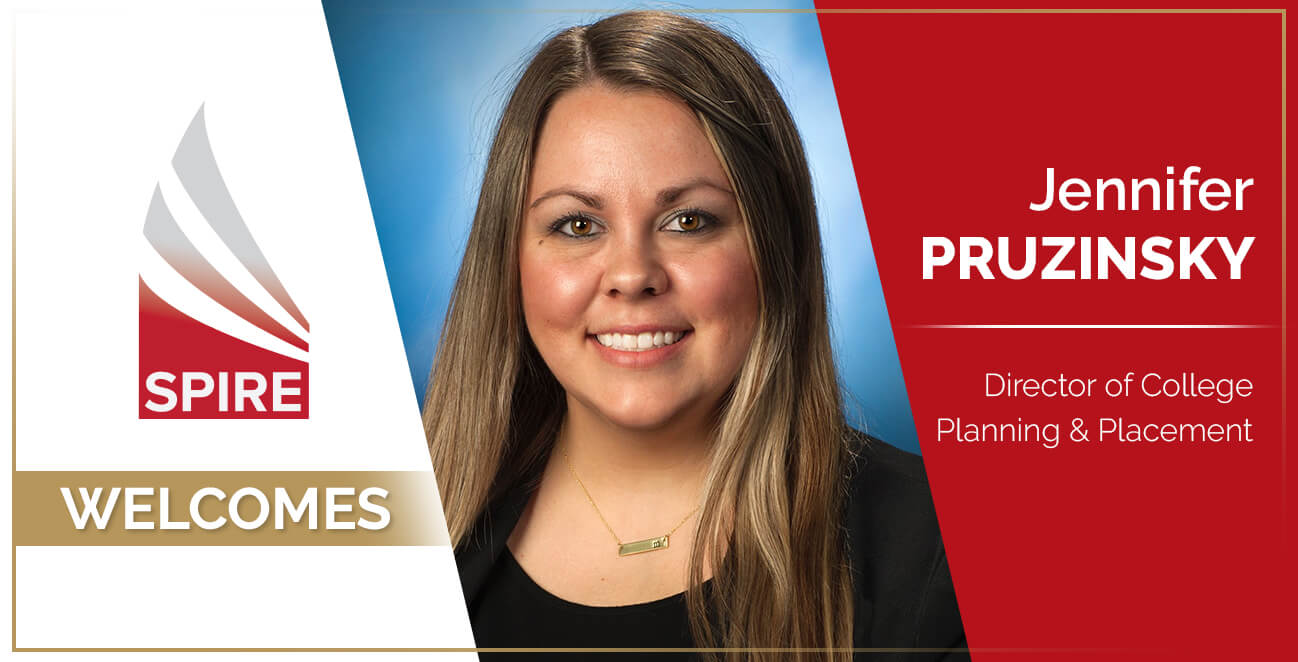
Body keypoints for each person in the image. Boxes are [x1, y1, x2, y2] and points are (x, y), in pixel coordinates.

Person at [423, 10, 965, 661]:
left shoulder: (942, 559)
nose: (632, 275)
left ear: (774, 248)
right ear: (509, 261)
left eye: (688, 221)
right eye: (577, 225)